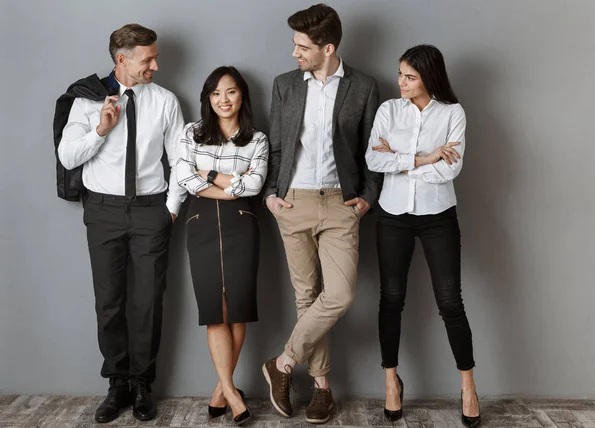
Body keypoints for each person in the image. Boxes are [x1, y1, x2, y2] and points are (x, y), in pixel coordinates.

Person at [57, 24, 186, 423]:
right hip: (103, 211)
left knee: (147, 300)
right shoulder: (87, 100)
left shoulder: (165, 100)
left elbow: (180, 157)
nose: (156, 65)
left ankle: (143, 383)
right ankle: (117, 384)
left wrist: (172, 207)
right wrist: (100, 129)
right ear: (121, 59)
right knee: (109, 300)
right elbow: (67, 156)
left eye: (155, 57)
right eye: (148, 59)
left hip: (152, 210)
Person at [261, 4, 381, 424]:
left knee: (340, 295)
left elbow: (372, 151)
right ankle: (322, 391)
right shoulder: (285, 85)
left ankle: (282, 364)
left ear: (328, 48)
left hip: (340, 203)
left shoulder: (363, 87)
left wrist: (368, 196)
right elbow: (277, 145)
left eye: (302, 47)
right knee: (306, 297)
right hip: (292, 201)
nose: (295, 53)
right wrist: (271, 196)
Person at [365, 44, 481, 427]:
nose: (401, 82)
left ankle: (467, 387)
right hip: (392, 215)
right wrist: (425, 157)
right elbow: (372, 160)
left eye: (410, 76)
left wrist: (401, 163)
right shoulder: (388, 110)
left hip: (437, 216)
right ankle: (391, 383)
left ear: (428, 77)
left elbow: (450, 170)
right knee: (391, 299)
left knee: (450, 302)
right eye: (400, 74)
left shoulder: (452, 113)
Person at [177, 66, 269, 426]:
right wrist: (230, 184)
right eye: (215, 93)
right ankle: (231, 392)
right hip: (200, 224)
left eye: (230, 92)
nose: (223, 100)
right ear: (207, 98)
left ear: (242, 95)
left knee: (238, 308)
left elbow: (255, 185)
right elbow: (185, 179)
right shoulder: (192, 132)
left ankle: (220, 389)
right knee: (214, 310)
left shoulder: (257, 139)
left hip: (242, 226)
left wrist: (210, 175)